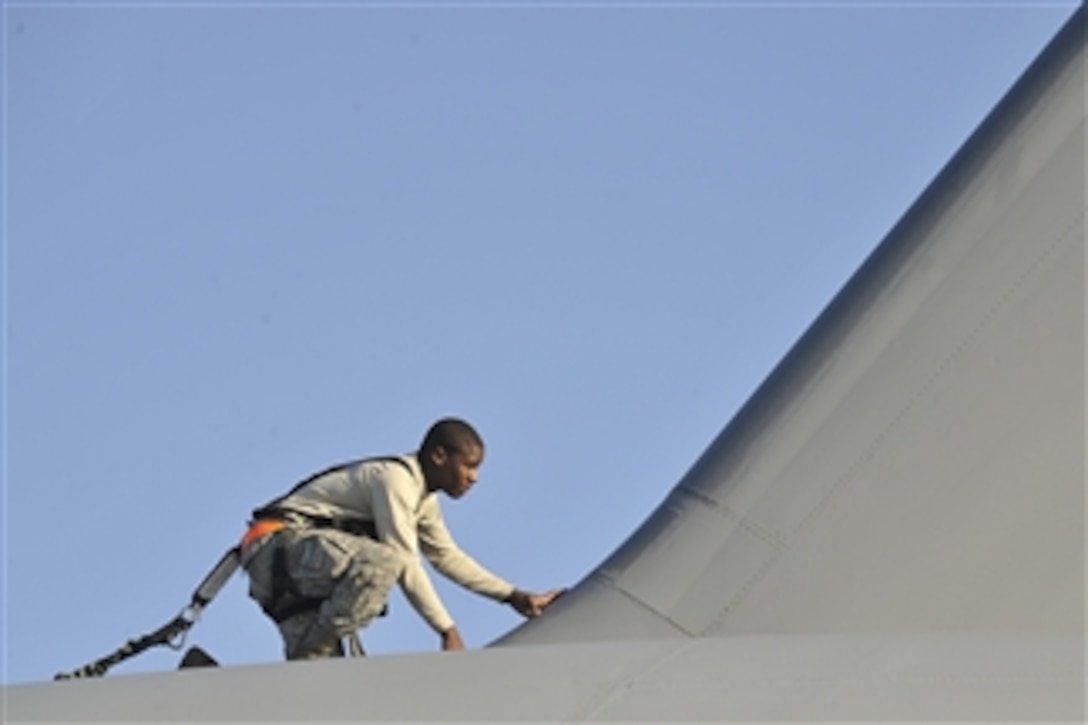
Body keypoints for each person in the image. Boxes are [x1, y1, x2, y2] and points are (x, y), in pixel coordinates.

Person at [239, 417, 563, 659]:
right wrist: (447, 630)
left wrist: (513, 596)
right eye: (468, 466)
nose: (473, 478)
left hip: (289, 569)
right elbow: (405, 560)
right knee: (383, 564)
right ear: (439, 456)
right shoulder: (396, 481)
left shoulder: (424, 500)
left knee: (323, 685)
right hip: (279, 548)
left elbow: (446, 557)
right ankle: (312, 650)